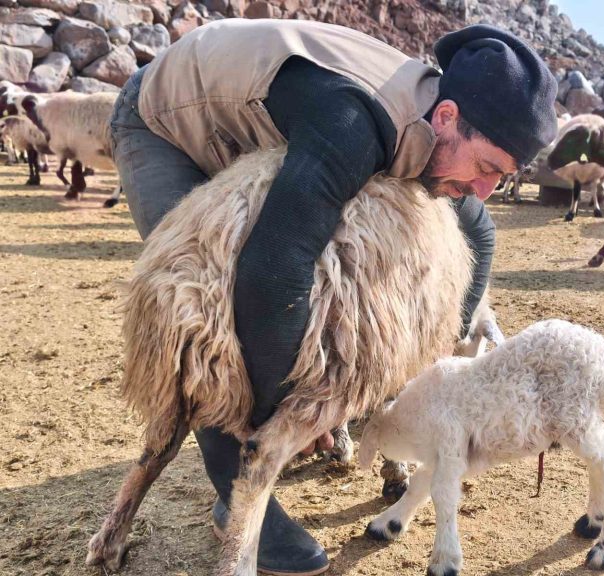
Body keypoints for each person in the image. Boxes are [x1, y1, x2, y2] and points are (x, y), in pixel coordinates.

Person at [109, 18, 557, 576]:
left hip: (259, 129)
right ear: (446, 118)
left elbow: (480, 232)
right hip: (167, 123)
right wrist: (289, 416)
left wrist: (435, 353)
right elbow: (274, 271)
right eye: (487, 168)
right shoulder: (353, 121)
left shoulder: (445, 141)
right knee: (206, 315)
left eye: (504, 177)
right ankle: (241, 494)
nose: (486, 188)